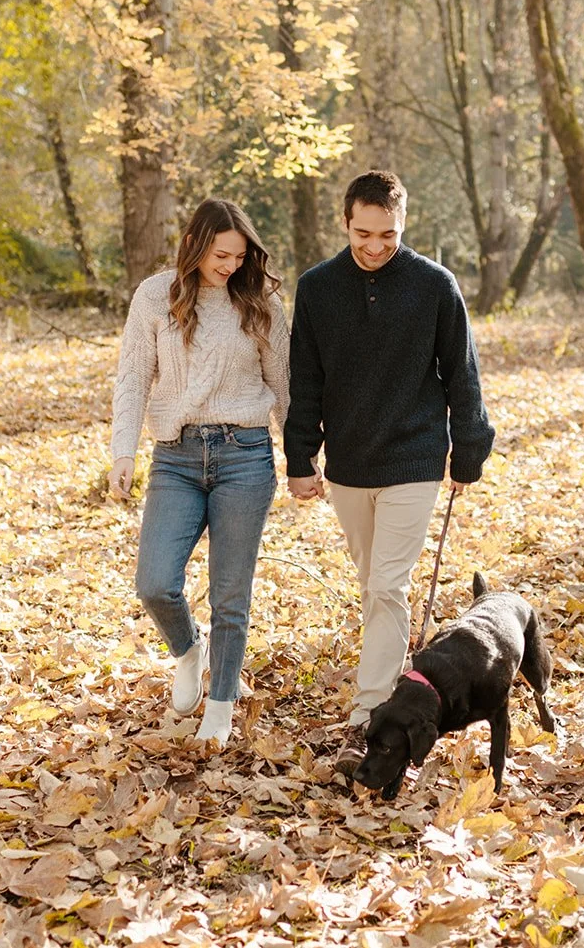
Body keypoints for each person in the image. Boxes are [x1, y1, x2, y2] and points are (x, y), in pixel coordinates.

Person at [284, 170, 495, 776]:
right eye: (363, 234)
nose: (375, 246)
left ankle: (371, 707)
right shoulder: (319, 289)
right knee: (372, 582)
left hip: (415, 459)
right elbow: (308, 383)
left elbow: (462, 373)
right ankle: (386, 680)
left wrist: (469, 448)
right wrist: (301, 459)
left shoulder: (434, 286)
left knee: (388, 585)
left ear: (404, 225)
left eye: (388, 235)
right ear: (345, 222)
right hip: (349, 466)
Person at [110, 198, 288, 745]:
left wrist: (304, 458)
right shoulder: (154, 296)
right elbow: (134, 376)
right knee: (155, 583)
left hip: (245, 456)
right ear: (195, 245)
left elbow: (284, 385)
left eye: (239, 256)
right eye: (220, 254)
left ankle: (222, 703)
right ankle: (189, 650)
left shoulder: (259, 303)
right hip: (176, 458)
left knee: (230, 596)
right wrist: (123, 452)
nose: (230, 266)